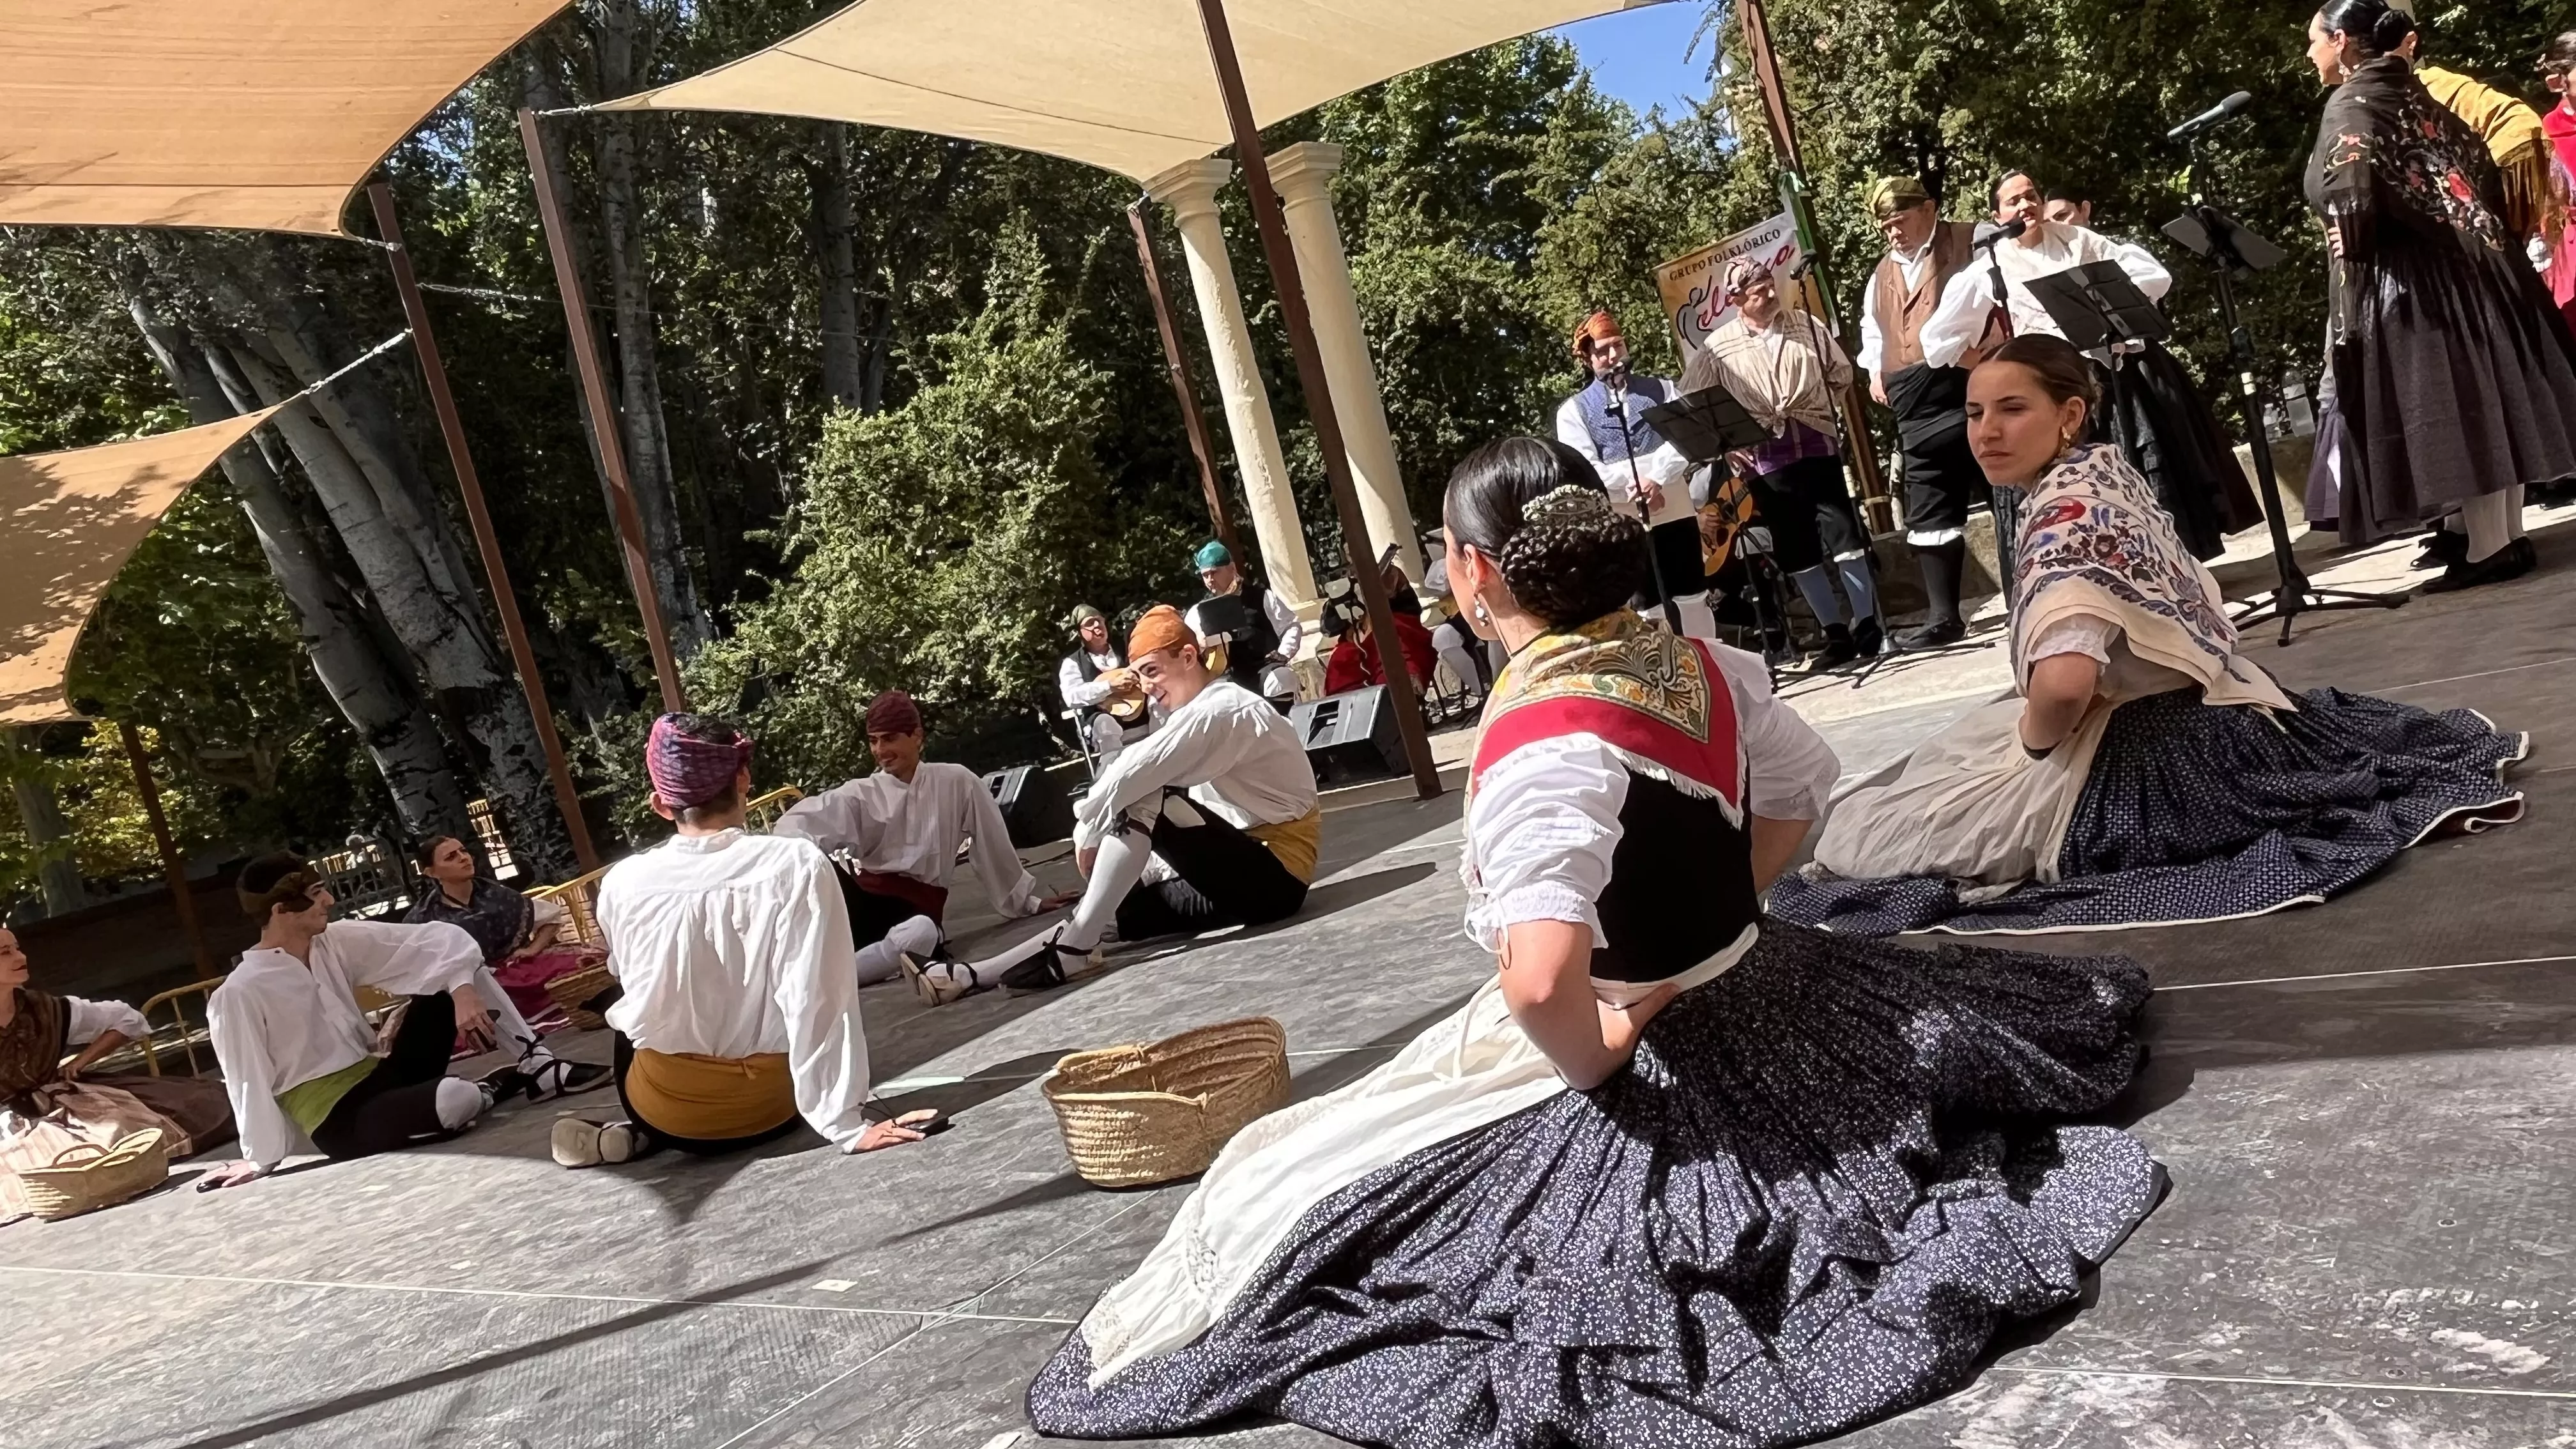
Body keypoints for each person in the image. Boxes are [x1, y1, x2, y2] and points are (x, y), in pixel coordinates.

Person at [1025, 434, 2163, 1448]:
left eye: (1441, 552)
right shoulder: (1693, 662)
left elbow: (1536, 979)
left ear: (1474, 572)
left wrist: (1601, 1043)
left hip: (1651, 1042)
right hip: (1760, 975)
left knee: (1276, 1185)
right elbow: (1802, 794)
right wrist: (1724, 915)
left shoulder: (1537, 736)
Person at [1770, 337, 2527, 937]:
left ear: (2069, 415)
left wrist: (2037, 747)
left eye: (2011, 410)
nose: (1986, 433)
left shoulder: (2063, 521)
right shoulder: (2106, 472)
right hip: (2227, 720)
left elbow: (2064, 686)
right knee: (1959, 744)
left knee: (1857, 833)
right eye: (1973, 413)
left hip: (2144, 768)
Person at [558, 714, 939, 1167]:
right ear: (744, 778)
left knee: (627, 999)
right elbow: (815, 996)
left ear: (661, 805)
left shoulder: (622, 882)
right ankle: (644, 1133)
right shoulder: (794, 863)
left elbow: (631, 980)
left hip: (666, 1109)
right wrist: (845, 1125)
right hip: (769, 1107)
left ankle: (638, 1134)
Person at [2303, 0, 2576, 590]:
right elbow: (2483, 166)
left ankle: (2490, 551)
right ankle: (2502, 539)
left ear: (2344, 42)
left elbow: (2348, 186)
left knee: (2458, 411)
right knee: (2485, 402)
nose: (2310, 53)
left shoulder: (2353, 101)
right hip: (2474, 271)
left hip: (2414, 283)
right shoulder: (2418, 95)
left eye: (2316, 41)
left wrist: (2352, 245)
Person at [930, 606, 1320, 1002]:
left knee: (1144, 793)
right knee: (1104, 910)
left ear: (1188, 657)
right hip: (1239, 873)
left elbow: (1134, 772)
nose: (1146, 687)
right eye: (1140, 675)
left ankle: (1074, 952)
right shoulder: (1193, 717)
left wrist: (1090, 830)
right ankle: (971, 975)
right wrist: (1130, 871)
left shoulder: (1227, 708)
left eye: (1152, 671)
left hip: (1276, 879)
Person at [197, 854, 606, 1190]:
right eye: (316, 893)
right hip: (339, 1118)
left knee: (454, 966)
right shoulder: (238, 993)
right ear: (281, 909)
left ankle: (539, 1066)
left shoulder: (333, 942)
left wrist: (462, 990)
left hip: (384, 1075)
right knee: (453, 1100)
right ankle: (485, 1091)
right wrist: (259, 1158)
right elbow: (245, 1079)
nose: (328, 901)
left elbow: (445, 941)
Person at [1921, 171, 2257, 561]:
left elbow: (2154, 276)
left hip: (2111, 380)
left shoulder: (2080, 240)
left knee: (2135, 472)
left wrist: (2105, 313)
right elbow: (1937, 341)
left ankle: (2158, 565)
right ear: (1997, 216)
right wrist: (1989, 363)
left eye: (2032, 195)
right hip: (2051, 393)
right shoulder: (1989, 267)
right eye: (2014, 201)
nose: (2026, 205)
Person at [772, 689, 1055, 988]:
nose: (881, 750)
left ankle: (830, 978)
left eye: (890, 738)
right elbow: (795, 824)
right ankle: (840, 969)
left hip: (916, 911)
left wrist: (1027, 903)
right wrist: (805, 858)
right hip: (862, 906)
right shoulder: (860, 794)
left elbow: (992, 842)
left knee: (921, 932)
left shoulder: (957, 782)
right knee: (803, 857)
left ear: (917, 736)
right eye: (874, 741)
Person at [1685, 257, 1882, 665]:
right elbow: (1694, 402)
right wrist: (1725, 441)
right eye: (1757, 290)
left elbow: (1840, 375)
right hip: (1764, 460)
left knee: (1844, 533)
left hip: (1816, 444)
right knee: (1797, 547)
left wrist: (1816, 408)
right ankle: (1834, 634)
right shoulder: (1717, 347)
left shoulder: (1806, 324)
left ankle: (1869, 624)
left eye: (1770, 285)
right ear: (1736, 298)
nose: (1770, 293)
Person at [0, 926, 234, 1221]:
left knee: (197, 1105)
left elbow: (127, 1018)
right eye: (4, 952)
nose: (20, 956)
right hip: (11, 1120)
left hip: (62, 1101)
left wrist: (81, 1061)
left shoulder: (45, 1009)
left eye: (17, 947)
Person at [1860, 175, 1990, 652]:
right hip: (1914, 402)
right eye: (1886, 226)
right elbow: (1873, 328)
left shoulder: (1970, 239)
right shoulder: (1881, 274)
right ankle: (1943, 617)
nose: (1893, 232)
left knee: (2003, 484)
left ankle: (2028, 592)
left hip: (1971, 383)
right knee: (1930, 503)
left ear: (1930, 208)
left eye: (1900, 220)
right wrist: (1875, 370)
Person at [1554, 309, 1717, 636]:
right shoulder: (1572, 412)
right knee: (1646, 607)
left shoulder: (1664, 390)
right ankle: (1661, 677)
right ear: (1588, 359)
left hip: (1675, 509)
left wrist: (1656, 478)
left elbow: (1686, 440)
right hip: (1623, 519)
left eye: (1618, 345)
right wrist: (1634, 486)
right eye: (1602, 351)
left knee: (1692, 597)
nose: (1613, 355)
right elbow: (1586, 470)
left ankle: (1709, 673)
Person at [403, 834, 597, 1031]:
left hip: (515, 972)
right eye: (451, 857)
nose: (464, 858)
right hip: (468, 986)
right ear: (432, 872)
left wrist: (532, 950)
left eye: (463, 851)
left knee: (581, 966)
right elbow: (415, 967)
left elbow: (551, 917)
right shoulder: (423, 917)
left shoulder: (495, 894)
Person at [1183, 541, 1303, 711]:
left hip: (1263, 669)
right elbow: (1188, 650)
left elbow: (1291, 625)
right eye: (1205, 575)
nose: (1210, 580)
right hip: (1224, 680)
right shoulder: (1197, 613)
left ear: (1232, 569)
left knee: (1281, 679)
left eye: (1214, 573)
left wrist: (1284, 653)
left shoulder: (1262, 597)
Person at [1059, 604, 1147, 767]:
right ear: (1079, 632)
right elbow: (1071, 696)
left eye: (1099, 621)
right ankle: (1115, 774)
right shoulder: (1073, 663)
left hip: (1142, 711)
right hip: (1103, 717)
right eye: (1090, 623)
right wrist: (1109, 687)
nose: (1097, 626)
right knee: (1105, 725)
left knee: (1162, 706)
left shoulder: (1125, 647)